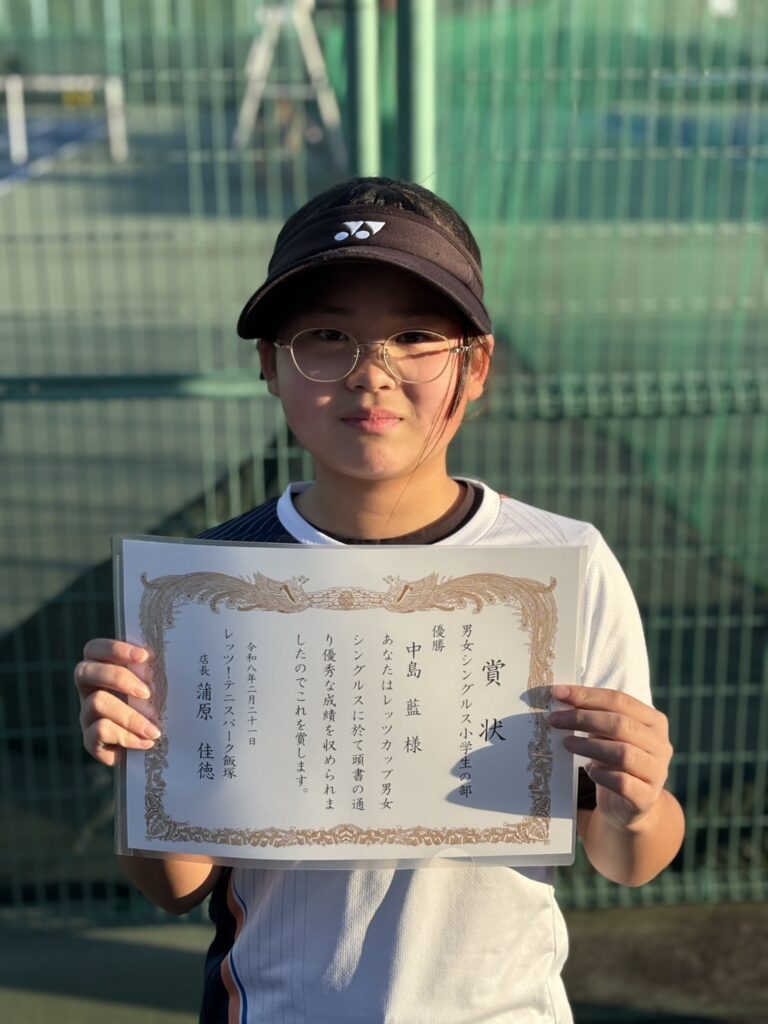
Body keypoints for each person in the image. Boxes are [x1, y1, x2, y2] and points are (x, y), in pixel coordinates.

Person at [75, 177, 685, 1023]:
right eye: (327, 337)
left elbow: (630, 859)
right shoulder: (205, 588)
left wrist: (636, 799)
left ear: (476, 365)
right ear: (270, 366)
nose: (373, 373)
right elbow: (175, 886)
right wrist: (138, 764)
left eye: (415, 337)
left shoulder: (563, 563)